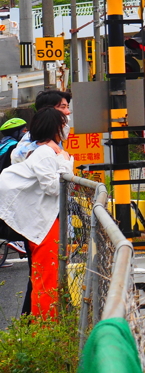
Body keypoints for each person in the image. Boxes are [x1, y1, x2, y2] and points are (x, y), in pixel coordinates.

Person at [0, 107, 74, 318]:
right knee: (47, 277)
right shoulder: (44, 152)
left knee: (48, 275)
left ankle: (46, 325)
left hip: (45, 220)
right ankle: (45, 326)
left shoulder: (45, 151)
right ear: (55, 128)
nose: (66, 127)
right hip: (43, 224)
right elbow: (53, 187)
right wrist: (67, 162)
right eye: (63, 124)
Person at [11, 89, 71, 165]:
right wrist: (39, 144)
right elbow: (16, 157)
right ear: (48, 110)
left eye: (68, 107)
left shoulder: (55, 135)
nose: (68, 112)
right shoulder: (34, 136)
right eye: (63, 107)